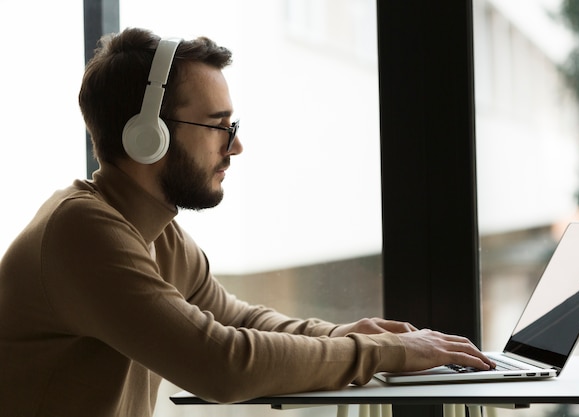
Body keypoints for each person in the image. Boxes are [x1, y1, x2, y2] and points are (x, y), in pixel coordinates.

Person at [0, 27, 494, 417]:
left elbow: (237, 320)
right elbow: (222, 363)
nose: (234, 146)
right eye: (218, 125)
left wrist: (342, 334)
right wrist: (383, 352)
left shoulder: (157, 234)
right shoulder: (80, 234)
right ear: (146, 136)